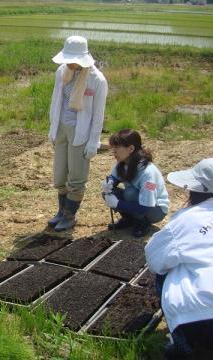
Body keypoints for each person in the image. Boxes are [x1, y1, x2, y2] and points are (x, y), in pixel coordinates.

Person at [145, 158, 213, 358]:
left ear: (195, 190)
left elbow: (154, 260)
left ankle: (184, 343)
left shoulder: (186, 219)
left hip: (208, 321)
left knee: (168, 272)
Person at [48, 35, 108, 231]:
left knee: (76, 176)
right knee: (60, 174)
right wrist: (52, 128)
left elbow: (98, 115)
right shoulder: (62, 72)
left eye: (73, 60)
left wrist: (93, 142)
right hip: (62, 128)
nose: (70, 63)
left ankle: (70, 215)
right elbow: (56, 100)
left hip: (80, 132)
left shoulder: (96, 80)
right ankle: (61, 211)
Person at [101, 129, 169, 237]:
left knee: (130, 193)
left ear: (131, 148)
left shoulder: (148, 173)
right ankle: (129, 219)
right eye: (113, 147)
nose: (113, 151)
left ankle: (142, 222)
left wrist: (118, 204)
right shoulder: (122, 163)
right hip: (139, 201)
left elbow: (146, 206)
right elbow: (115, 177)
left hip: (155, 209)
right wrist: (109, 183)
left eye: (117, 148)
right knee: (109, 192)